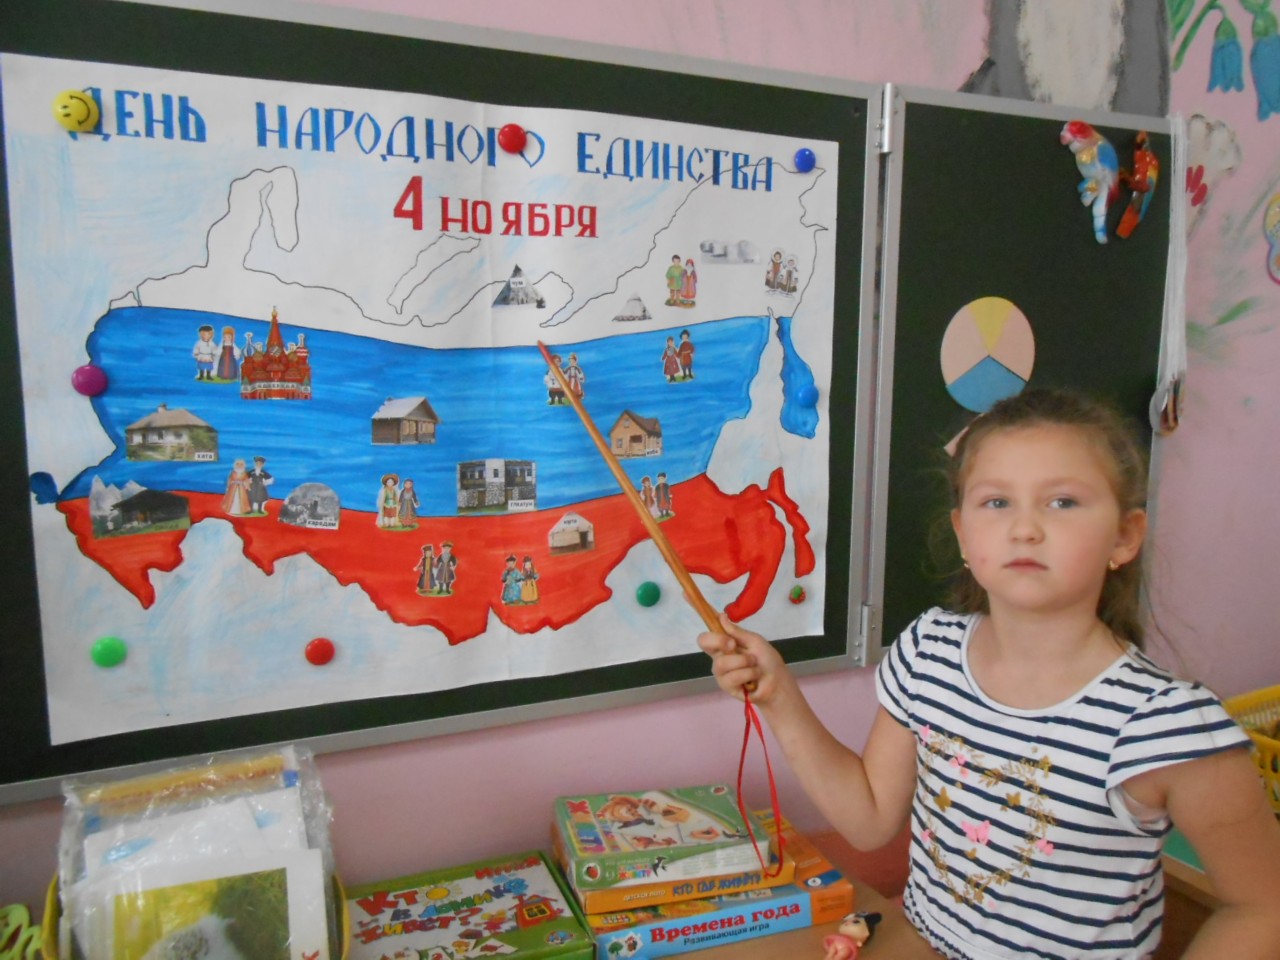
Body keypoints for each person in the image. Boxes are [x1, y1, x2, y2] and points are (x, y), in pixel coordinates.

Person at [698, 388, 1280, 959]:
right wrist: (778, 696)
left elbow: (1263, 907)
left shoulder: (1165, 725)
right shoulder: (929, 652)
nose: (1024, 528)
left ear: (1124, 536)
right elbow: (869, 819)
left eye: (1063, 502)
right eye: (997, 502)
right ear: (963, 533)